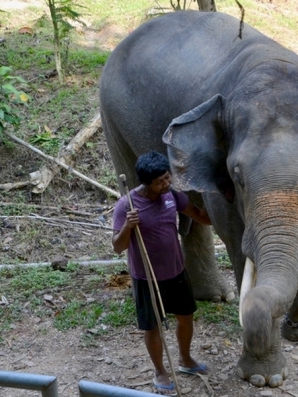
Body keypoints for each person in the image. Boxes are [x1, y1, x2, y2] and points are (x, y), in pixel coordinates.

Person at [112, 151, 210, 394]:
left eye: (167, 178)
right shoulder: (127, 205)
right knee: (152, 327)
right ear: (147, 183)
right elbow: (117, 247)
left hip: (177, 272)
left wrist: (223, 208)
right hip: (147, 278)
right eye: (160, 182)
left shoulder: (172, 196)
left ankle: (185, 360)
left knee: (186, 317)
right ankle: (160, 371)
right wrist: (128, 226)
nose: (166, 184)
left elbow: (199, 216)